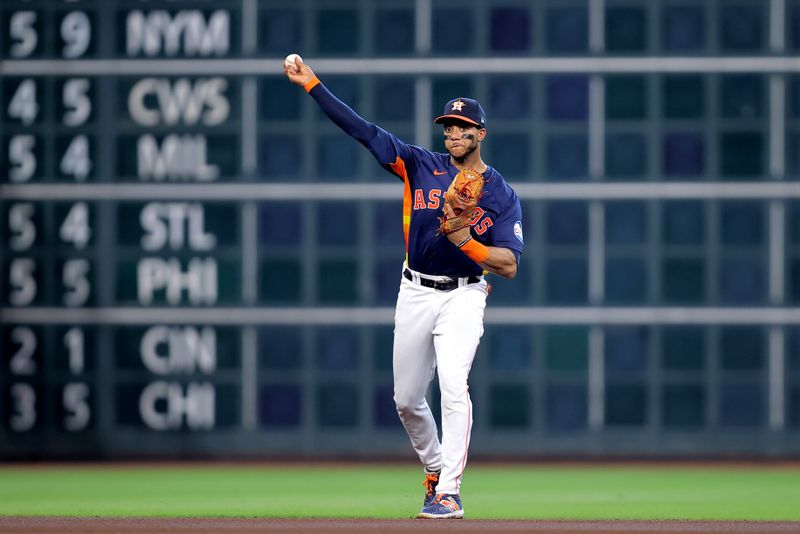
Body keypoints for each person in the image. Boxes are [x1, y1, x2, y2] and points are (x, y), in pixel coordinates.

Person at [284, 56, 523, 519]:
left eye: (463, 127)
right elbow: (362, 130)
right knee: (407, 400)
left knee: (454, 385)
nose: (453, 134)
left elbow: (509, 265)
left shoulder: (501, 194)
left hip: (465, 293)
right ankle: (436, 470)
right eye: (449, 127)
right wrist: (312, 83)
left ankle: (449, 492)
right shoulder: (418, 165)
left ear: (481, 135)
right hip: (414, 289)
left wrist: (465, 242)